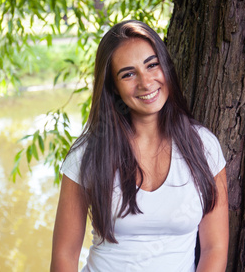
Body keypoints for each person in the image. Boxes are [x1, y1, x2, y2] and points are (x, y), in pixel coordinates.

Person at [50, 20, 229, 271]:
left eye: (152, 65)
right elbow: (64, 256)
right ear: (113, 88)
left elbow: (215, 248)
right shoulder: (87, 155)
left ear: (165, 66)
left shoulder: (204, 148)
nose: (145, 83)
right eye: (128, 74)